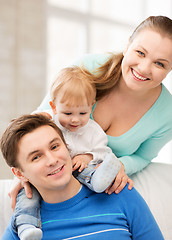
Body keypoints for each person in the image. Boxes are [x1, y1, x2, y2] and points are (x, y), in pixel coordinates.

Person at [37, 15, 172, 194]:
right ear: (127, 46)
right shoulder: (87, 68)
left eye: (159, 64)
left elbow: (143, 156)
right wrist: (27, 171)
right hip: (50, 172)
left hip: (96, 186)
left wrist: (119, 165)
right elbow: (41, 117)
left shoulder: (167, 114)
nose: (144, 68)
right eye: (140, 53)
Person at [0, 114, 164, 240]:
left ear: (67, 147)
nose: (52, 160)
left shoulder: (118, 191)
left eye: (55, 146)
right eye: (36, 157)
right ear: (20, 174)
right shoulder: (24, 226)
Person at [8, 66, 124, 240]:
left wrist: (88, 156)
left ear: (91, 107)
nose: (75, 119)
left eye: (82, 113)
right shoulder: (48, 120)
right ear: (54, 107)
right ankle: (26, 226)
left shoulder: (93, 131)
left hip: (79, 172)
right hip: (46, 181)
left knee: (89, 168)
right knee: (28, 195)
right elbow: (24, 132)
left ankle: (98, 181)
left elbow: (102, 150)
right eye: (67, 113)